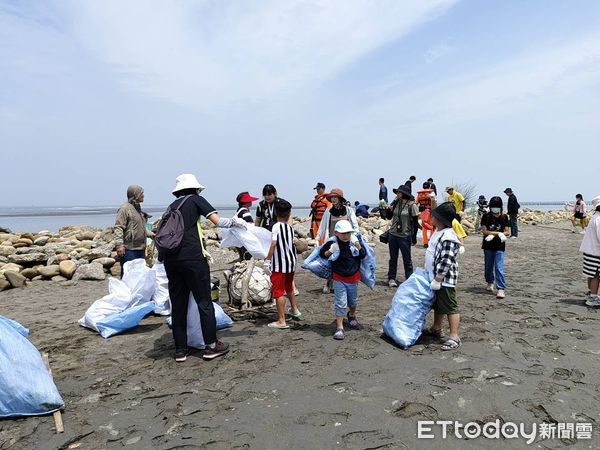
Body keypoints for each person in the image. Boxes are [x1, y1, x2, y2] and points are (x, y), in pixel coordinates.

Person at [162, 174, 244, 362]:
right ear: (195, 188)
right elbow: (217, 221)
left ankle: (180, 350)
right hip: (192, 258)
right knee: (204, 302)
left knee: (178, 304)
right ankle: (211, 346)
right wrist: (236, 222)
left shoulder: (171, 207)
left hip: (171, 260)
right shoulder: (196, 200)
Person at [422, 202, 462, 350]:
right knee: (439, 305)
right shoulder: (438, 232)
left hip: (444, 279)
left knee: (450, 306)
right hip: (435, 277)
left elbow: (447, 259)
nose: (431, 217)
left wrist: (439, 278)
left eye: (434, 216)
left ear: (440, 219)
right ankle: (436, 328)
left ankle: (454, 336)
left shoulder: (449, 236)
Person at [319, 220, 366, 340]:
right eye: (343, 233)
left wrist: (358, 245)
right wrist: (331, 251)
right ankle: (339, 327)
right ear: (336, 233)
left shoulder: (354, 242)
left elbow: (363, 255)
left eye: (348, 233)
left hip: (353, 277)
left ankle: (352, 315)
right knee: (340, 303)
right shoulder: (332, 243)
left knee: (353, 301)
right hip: (339, 277)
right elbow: (321, 254)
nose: (346, 236)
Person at [264, 199, 301, 328]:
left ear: (275, 212)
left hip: (279, 264)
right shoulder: (289, 228)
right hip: (291, 262)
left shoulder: (276, 226)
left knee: (278, 291)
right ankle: (295, 309)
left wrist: (267, 260)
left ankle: (281, 320)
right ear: (289, 213)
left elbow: (273, 243)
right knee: (289, 287)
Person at [316, 188, 359, 293]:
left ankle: (342, 283)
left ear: (340, 198)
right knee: (331, 262)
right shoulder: (329, 211)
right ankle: (328, 284)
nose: (333, 199)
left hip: (346, 241)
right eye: (332, 197)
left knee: (343, 262)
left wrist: (354, 238)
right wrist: (317, 238)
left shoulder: (348, 210)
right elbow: (323, 226)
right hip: (332, 241)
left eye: (335, 197)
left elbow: (355, 226)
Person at [114, 185, 153, 278]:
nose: (143, 195)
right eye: (141, 193)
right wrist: (119, 245)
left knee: (139, 276)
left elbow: (140, 227)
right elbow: (118, 227)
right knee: (128, 276)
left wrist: (151, 234)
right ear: (135, 195)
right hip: (129, 250)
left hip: (140, 249)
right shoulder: (124, 208)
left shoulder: (137, 208)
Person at [385, 184, 419, 288]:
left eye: (399, 193)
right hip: (393, 235)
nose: (397, 194)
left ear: (403, 194)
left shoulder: (411, 205)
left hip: (405, 236)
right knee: (393, 258)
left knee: (407, 259)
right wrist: (388, 210)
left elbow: (415, 223)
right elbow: (388, 217)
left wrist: (414, 237)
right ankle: (391, 278)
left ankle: (409, 279)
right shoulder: (395, 203)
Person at [481, 196, 510, 299]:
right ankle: (490, 282)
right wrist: (496, 233)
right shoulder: (486, 217)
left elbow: (507, 232)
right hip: (488, 245)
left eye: (497, 206)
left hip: (499, 246)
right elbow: (484, 231)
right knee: (488, 267)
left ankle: (501, 288)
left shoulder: (504, 217)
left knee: (499, 267)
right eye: (493, 206)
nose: (495, 209)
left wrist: (500, 234)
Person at [580, 195, 600, 306]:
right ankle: (593, 297)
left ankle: (591, 293)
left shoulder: (595, 217)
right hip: (596, 252)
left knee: (591, 274)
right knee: (596, 275)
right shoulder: (599, 219)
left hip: (589, 250)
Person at [234, 192, 259, 260]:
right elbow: (249, 226)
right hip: (244, 238)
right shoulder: (245, 212)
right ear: (246, 202)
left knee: (242, 257)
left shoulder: (239, 210)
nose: (251, 202)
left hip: (238, 237)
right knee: (247, 257)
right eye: (250, 200)